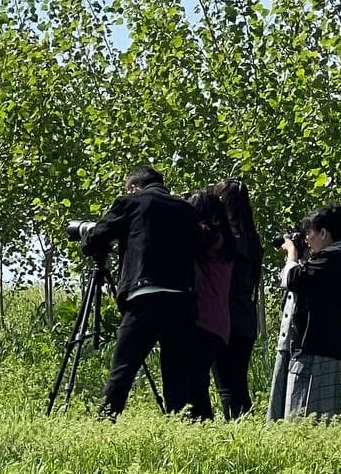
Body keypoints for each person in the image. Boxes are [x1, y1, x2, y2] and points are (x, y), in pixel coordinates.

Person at [81, 165, 198, 421]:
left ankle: (104, 423)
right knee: (177, 374)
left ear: (134, 186)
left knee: (123, 367)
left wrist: (86, 236)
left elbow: (98, 238)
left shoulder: (132, 202)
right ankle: (181, 429)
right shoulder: (187, 210)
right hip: (183, 300)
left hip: (146, 296)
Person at [267, 203, 341, 420]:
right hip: (324, 346)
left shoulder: (334, 258)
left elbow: (293, 279)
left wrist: (291, 253)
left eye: (309, 233)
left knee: (304, 415)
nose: (306, 239)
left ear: (324, 233)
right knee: (313, 418)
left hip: (317, 348)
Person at [162, 188, 235, 420]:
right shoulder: (223, 240)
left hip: (202, 318)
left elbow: (184, 234)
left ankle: (198, 426)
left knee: (193, 383)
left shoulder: (206, 235)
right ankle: (202, 427)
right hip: (216, 322)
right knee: (198, 381)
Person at [210, 178, 263, 419]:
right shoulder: (252, 238)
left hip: (225, 313)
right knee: (238, 383)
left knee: (226, 385)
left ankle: (236, 432)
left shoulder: (227, 239)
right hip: (245, 314)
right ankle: (245, 428)